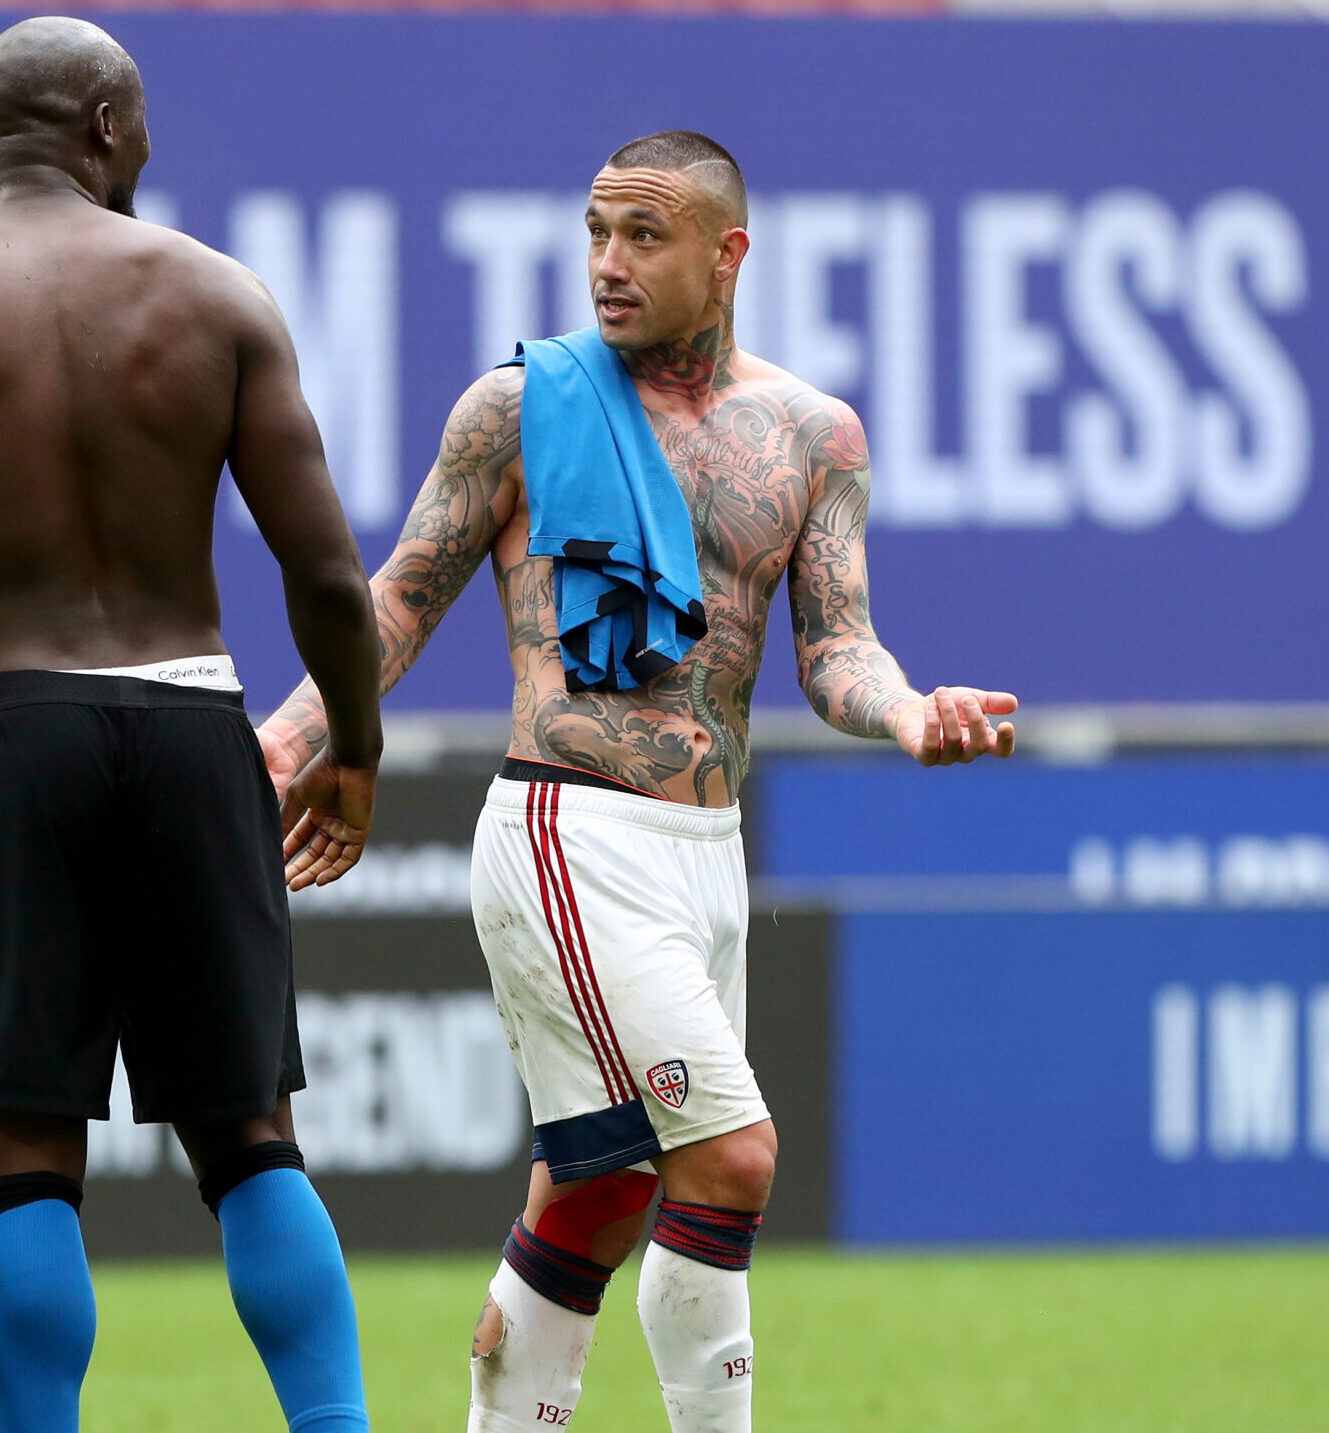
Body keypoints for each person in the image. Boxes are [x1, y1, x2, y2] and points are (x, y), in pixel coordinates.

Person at [258, 131, 1018, 1433]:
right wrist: (279, 745)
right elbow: (397, 595)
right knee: (729, 1155)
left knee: (598, 1189)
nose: (607, 263)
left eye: (642, 236)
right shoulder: (520, 406)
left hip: (703, 852)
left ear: (725, 255)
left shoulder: (811, 435)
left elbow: (834, 646)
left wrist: (904, 709)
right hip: (564, 831)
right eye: (596, 232)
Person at [0, 17, 383, 1433]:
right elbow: (320, 571)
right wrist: (352, 748)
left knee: (22, 1163)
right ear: (112, 125)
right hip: (189, 725)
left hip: (8, 734)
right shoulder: (216, 298)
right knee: (250, 1140)